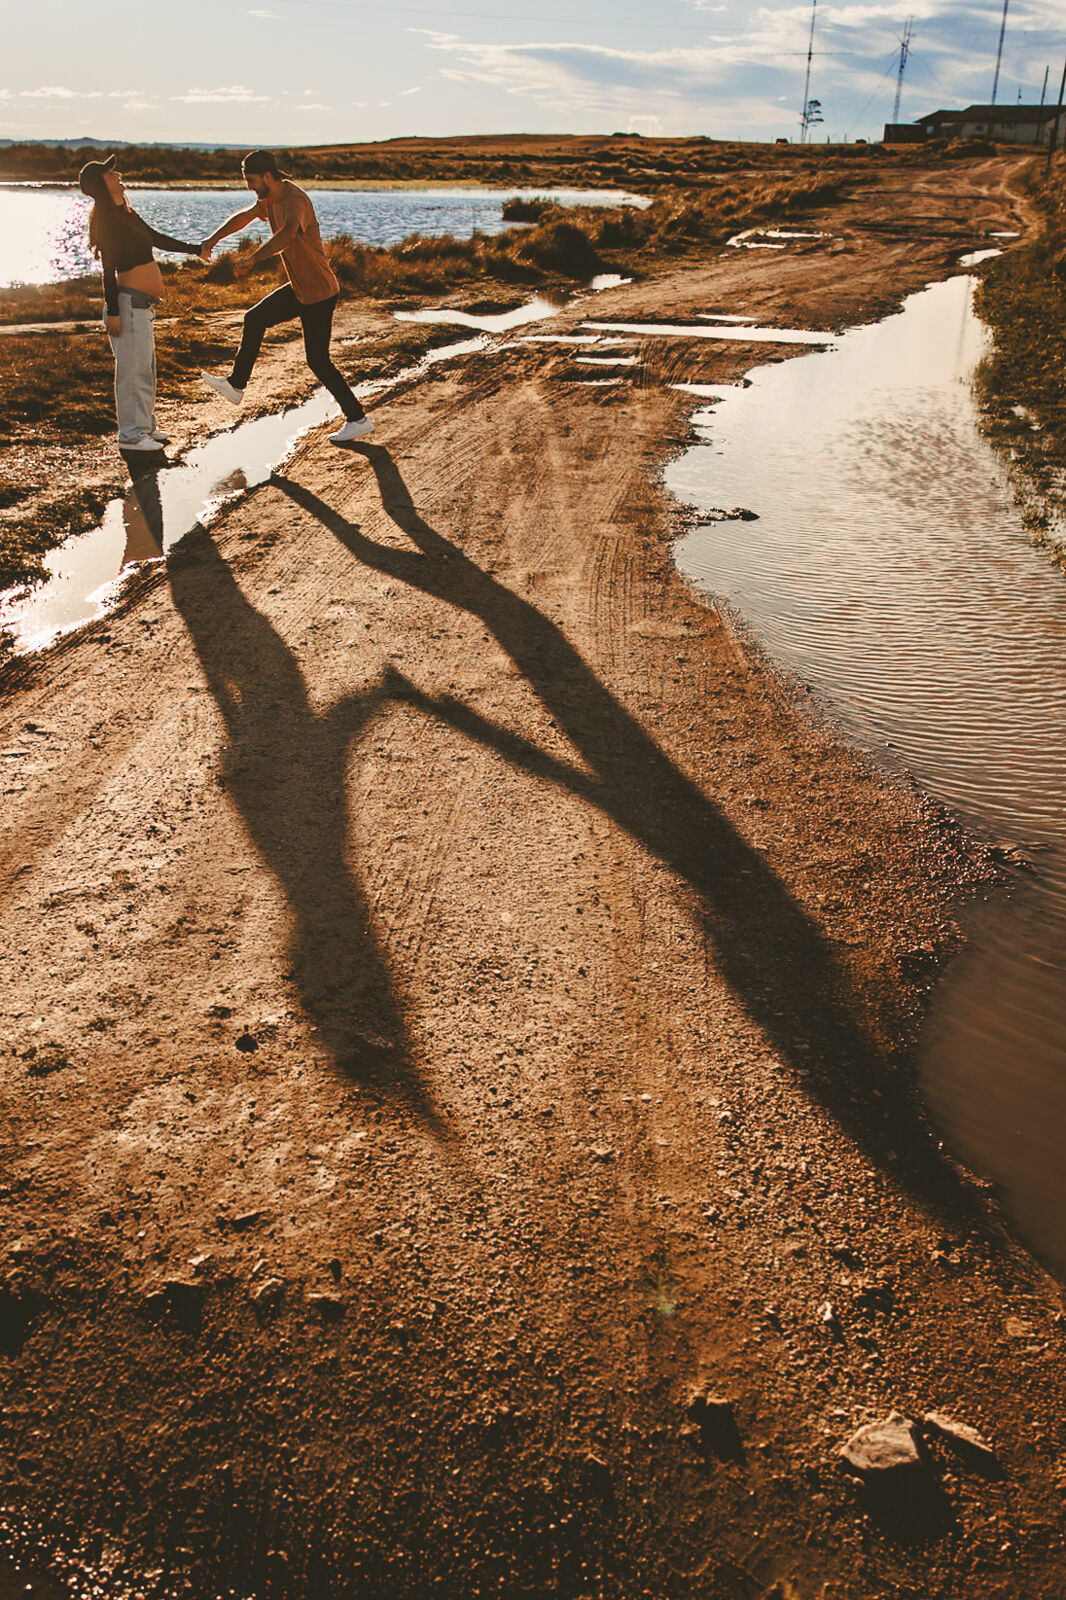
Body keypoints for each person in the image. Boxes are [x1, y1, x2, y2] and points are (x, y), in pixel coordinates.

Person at [199, 150, 373, 446]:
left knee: (318, 361)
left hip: (318, 292)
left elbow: (289, 233)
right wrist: (211, 240)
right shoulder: (269, 198)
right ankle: (236, 385)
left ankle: (358, 419)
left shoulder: (295, 200)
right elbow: (244, 217)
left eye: (252, 181)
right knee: (254, 318)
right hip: (299, 288)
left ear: (268, 175)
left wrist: (253, 259)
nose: (249, 187)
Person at [80, 154, 207, 452]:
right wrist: (112, 311)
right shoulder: (107, 221)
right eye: (111, 174)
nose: (118, 174)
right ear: (101, 183)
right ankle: (131, 435)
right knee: (132, 373)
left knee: (146, 369)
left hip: (142, 306)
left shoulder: (125, 213)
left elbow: (156, 238)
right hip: (127, 306)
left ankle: (146, 426)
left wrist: (196, 249)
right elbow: (108, 270)